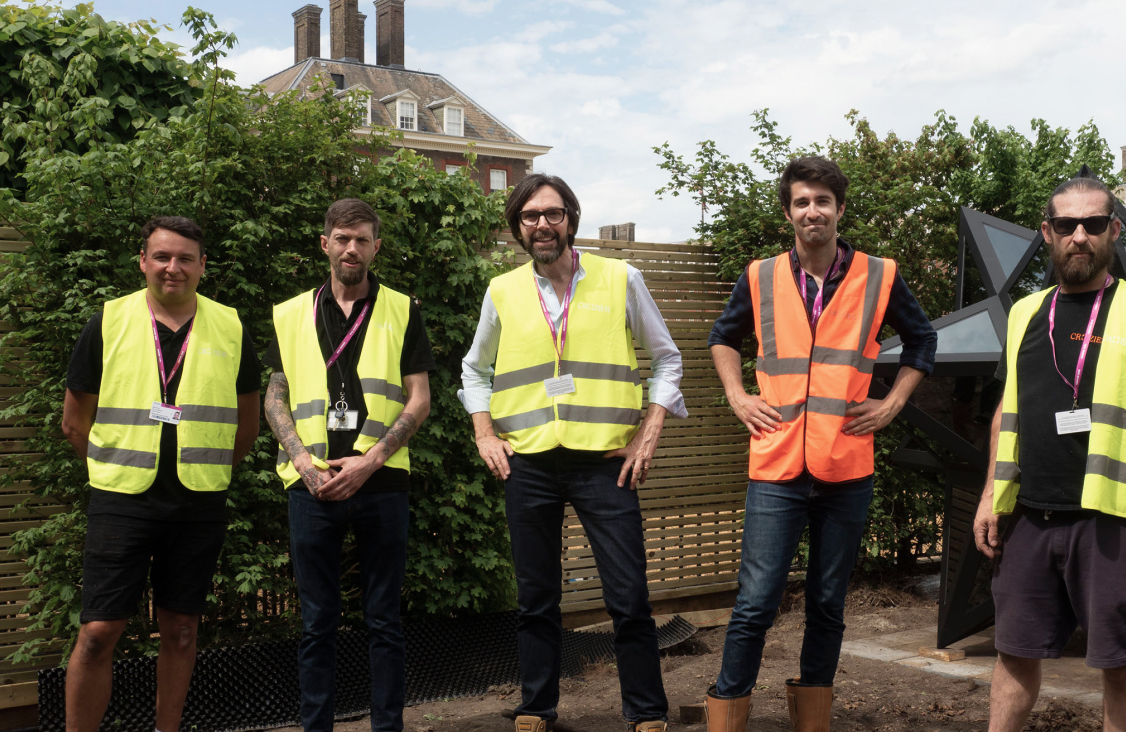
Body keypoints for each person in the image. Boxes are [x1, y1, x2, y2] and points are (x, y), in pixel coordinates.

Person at [704, 156, 936, 732]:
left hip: (846, 464)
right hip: (777, 464)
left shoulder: (879, 275)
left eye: (823, 201)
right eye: (802, 202)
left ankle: (812, 718)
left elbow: (922, 340)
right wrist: (737, 396)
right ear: (789, 213)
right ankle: (726, 716)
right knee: (756, 603)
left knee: (828, 602)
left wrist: (892, 404)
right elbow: (723, 338)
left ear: (838, 209)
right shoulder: (760, 276)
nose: (813, 211)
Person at [460, 173, 685, 732]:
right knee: (536, 599)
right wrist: (485, 433)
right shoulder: (502, 291)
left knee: (628, 596)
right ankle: (537, 706)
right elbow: (473, 369)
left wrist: (648, 433)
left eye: (553, 214)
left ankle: (646, 711)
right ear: (518, 226)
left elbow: (668, 359)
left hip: (603, 463)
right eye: (531, 216)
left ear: (570, 220)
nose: (542, 224)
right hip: (529, 463)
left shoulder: (620, 278)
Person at [972, 176, 1126, 732]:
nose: (1080, 236)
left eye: (1094, 224)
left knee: (1120, 663)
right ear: (1047, 233)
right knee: (1014, 655)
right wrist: (988, 498)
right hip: (1028, 516)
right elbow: (1007, 412)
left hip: (1115, 519)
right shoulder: (1025, 313)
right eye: (1067, 225)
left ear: (1113, 232)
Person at [61, 216, 261, 732]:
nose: (173, 268)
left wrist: (212, 467)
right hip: (121, 500)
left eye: (185, 258)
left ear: (202, 266)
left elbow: (246, 423)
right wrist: (112, 469)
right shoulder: (108, 321)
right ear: (144, 261)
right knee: (99, 632)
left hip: (198, 502)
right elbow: (74, 420)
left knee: (181, 632)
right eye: (163, 257)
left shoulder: (231, 326)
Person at [263, 199, 434, 732]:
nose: (351, 248)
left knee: (384, 621)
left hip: (381, 484)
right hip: (309, 486)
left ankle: (387, 727)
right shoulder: (291, 313)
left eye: (361, 239)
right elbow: (275, 398)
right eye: (341, 238)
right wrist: (304, 465)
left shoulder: (403, 309)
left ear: (376, 247)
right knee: (316, 623)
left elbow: (420, 399)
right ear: (325, 244)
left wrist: (369, 461)